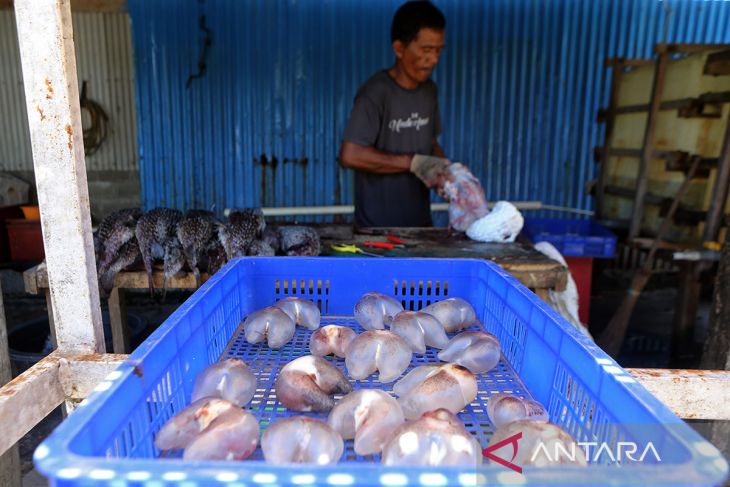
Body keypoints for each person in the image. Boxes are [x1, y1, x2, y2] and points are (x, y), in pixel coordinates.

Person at [339, 0, 447, 228]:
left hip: (420, 228)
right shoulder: (375, 93)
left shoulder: (429, 91)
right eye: (426, 50)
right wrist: (412, 163)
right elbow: (351, 155)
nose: (434, 59)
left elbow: (429, 141)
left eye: (438, 51)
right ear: (399, 48)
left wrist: (445, 170)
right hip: (377, 232)